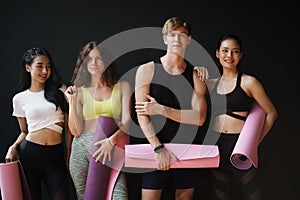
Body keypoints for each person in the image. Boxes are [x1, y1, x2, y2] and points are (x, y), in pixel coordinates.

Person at [196, 33, 278, 199]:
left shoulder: (249, 82)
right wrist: (198, 70)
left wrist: (254, 142)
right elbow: (195, 104)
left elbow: (271, 113)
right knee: (220, 193)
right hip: (216, 144)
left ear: (240, 55)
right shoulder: (210, 83)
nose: (229, 56)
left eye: (235, 51)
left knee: (253, 193)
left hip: (239, 144)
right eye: (225, 51)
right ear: (217, 53)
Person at [134, 16, 208, 200]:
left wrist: (161, 109)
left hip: (187, 148)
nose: (177, 40)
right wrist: (158, 149)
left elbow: (199, 118)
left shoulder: (196, 75)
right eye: (172, 35)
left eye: (182, 35)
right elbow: (142, 116)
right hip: (156, 148)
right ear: (164, 38)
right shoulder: (147, 69)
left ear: (189, 40)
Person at [65, 41, 130, 200]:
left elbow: (128, 122)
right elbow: (75, 131)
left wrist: (111, 141)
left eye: (98, 58)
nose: (93, 63)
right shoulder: (79, 91)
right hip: (82, 148)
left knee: (120, 196)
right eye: (89, 59)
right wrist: (72, 102)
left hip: (111, 146)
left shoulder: (122, 86)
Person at [5, 47, 71, 200]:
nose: (45, 71)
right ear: (28, 68)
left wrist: (68, 154)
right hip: (30, 154)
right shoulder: (19, 98)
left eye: (48, 67)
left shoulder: (60, 92)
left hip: (55, 156)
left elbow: (68, 128)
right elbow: (24, 131)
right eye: (40, 66)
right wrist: (13, 147)